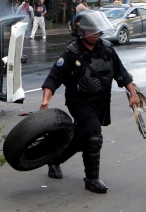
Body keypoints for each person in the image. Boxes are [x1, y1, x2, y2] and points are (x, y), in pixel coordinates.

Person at [39, 10, 140, 193]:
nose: (96, 34)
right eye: (91, 31)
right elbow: (54, 77)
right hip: (79, 102)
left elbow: (122, 73)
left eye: (98, 30)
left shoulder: (107, 49)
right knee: (93, 135)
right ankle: (92, 180)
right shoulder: (72, 52)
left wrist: (132, 94)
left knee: (81, 138)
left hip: (101, 102)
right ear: (82, 32)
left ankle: (54, 159)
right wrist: (46, 100)